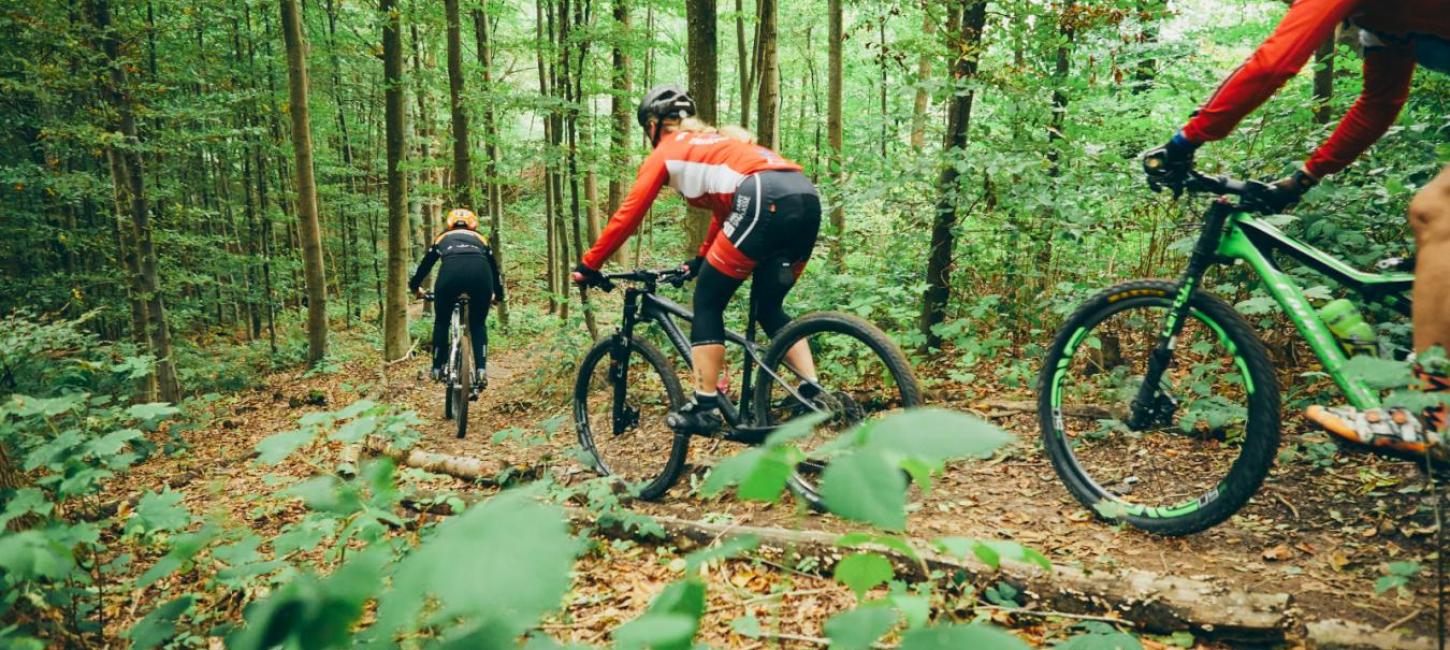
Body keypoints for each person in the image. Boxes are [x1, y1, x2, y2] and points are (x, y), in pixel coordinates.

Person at [1141, 1, 1450, 459]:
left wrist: (1186, 140)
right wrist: (1305, 176)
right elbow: (1378, 104)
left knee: (1435, 210)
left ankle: (1434, 417)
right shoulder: (1382, 24)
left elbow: (1273, 63)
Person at [572, 84, 822, 434]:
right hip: (805, 196)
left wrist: (590, 264)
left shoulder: (667, 151)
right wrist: (703, 257)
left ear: (654, 127)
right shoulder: (719, 143)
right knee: (769, 308)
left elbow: (629, 214)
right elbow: (725, 209)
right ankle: (813, 391)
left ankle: (705, 405)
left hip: (762, 196)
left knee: (707, 300)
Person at [409, 208, 504, 387]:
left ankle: (437, 367)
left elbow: (425, 265)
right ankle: (481, 370)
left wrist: (415, 287)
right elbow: (495, 270)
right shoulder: (481, 239)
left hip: (449, 278)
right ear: (472, 225)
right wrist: (498, 295)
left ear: (451, 224)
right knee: (477, 324)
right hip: (481, 279)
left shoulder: (443, 238)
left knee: (442, 322)